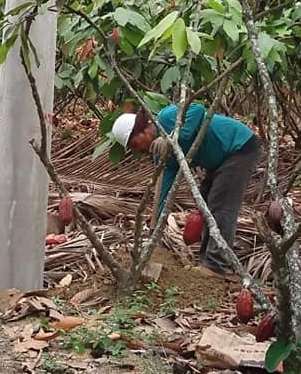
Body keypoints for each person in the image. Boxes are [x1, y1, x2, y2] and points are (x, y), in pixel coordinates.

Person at [111, 103, 262, 276]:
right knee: (206, 206)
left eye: (135, 144)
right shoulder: (162, 155)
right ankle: (207, 261)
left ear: (142, 131)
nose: (139, 150)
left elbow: (197, 110)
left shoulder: (166, 118)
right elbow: (163, 191)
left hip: (238, 146)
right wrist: (156, 226)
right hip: (219, 160)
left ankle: (216, 266)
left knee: (221, 206)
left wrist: (173, 139)